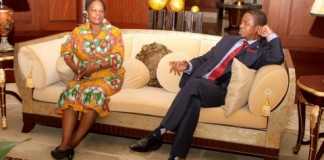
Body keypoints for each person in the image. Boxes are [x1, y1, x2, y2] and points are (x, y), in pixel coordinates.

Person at [129, 9, 283, 160]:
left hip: (220, 91)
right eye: (241, 21)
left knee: (195, 85)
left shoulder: (260, 51)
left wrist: (270, 35)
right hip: (199, 85)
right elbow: (205, 58)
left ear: (258, 29)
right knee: (193, 103)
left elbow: (277, 57)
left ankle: (159, 133)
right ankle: (177, 155)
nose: (240, 25)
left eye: (246, 23)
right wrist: (188, 66)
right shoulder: (229, 40)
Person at [51, 0, 124, 159]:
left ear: (104, 13)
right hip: (84, 76)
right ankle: (64, 143)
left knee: (94, 95)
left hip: (108, 77)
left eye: (100, 11)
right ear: (87, 12)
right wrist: (76, 69)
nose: (97, 14)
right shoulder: (78, 32)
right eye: (93, 10)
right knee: (70, 93)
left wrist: (95, 67)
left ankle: (70, 146)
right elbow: (66, 52)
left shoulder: (115, 32)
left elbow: (118, 59)